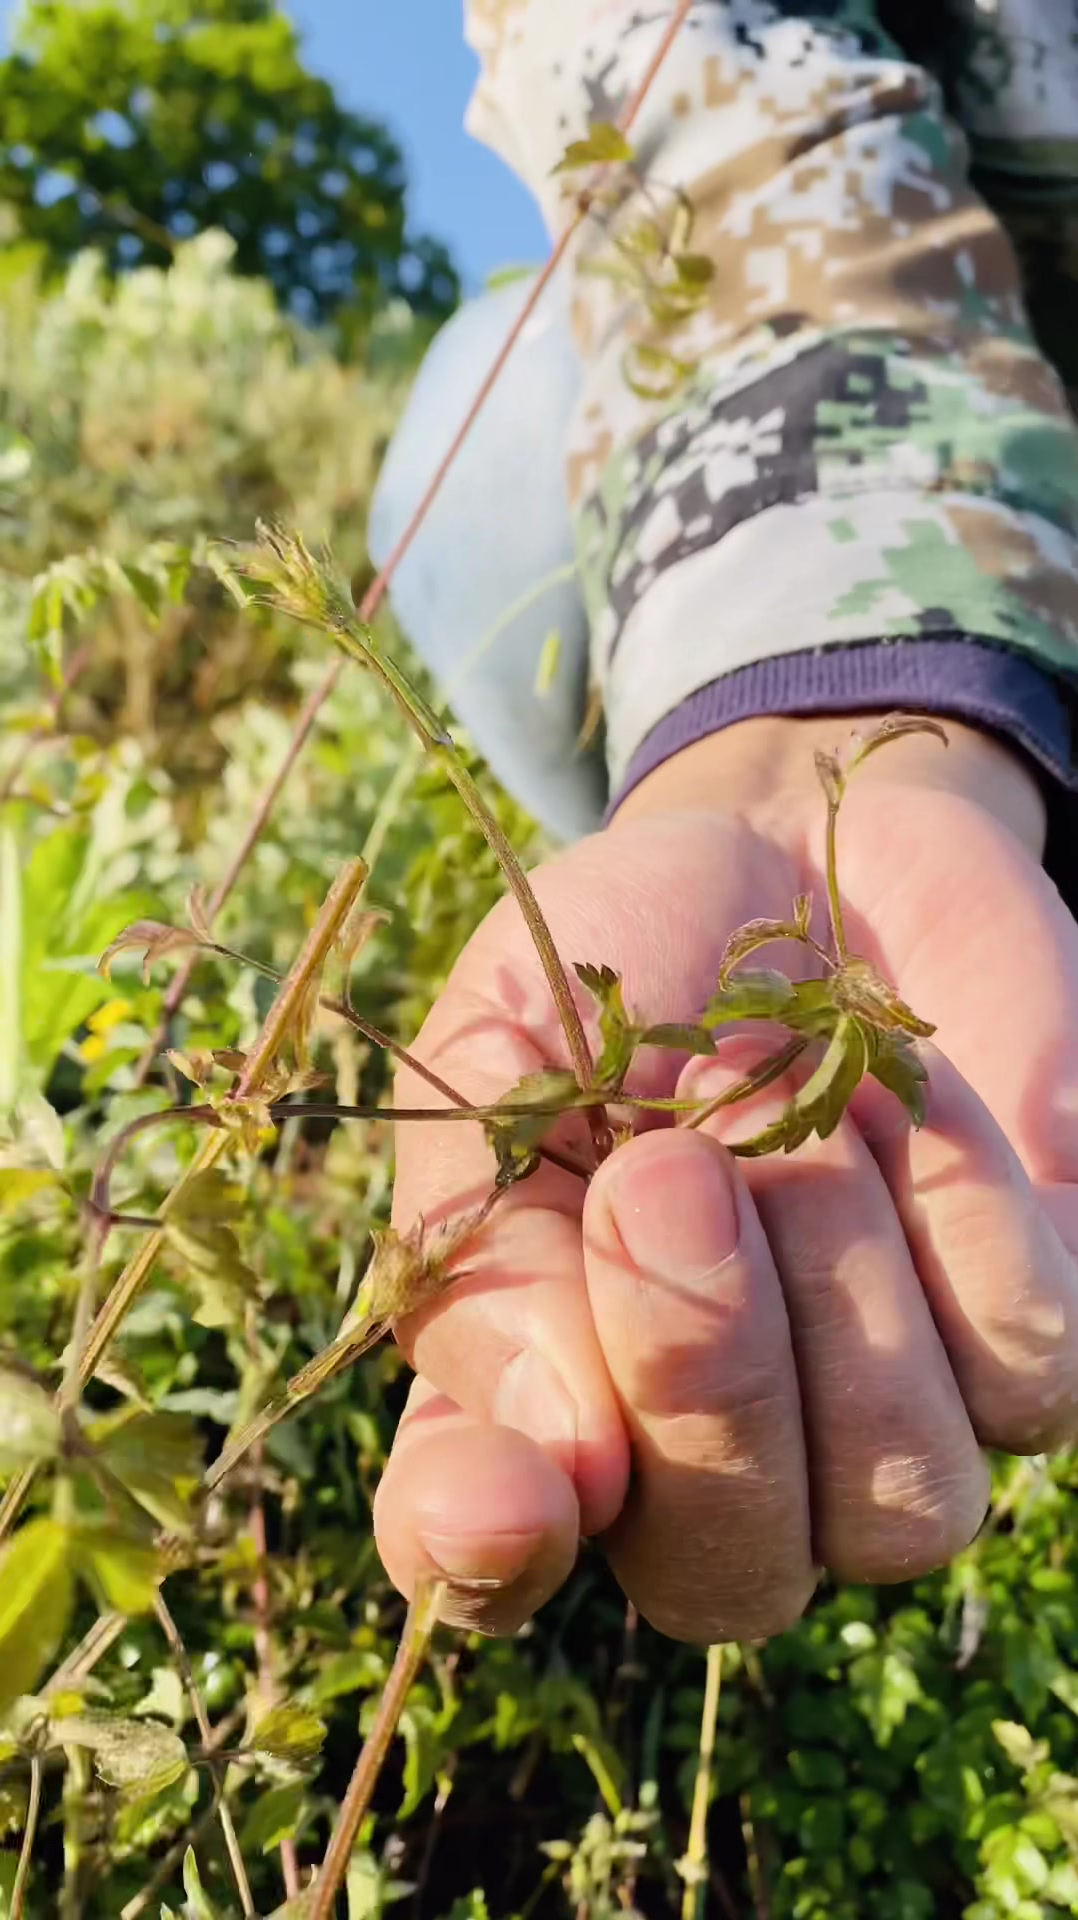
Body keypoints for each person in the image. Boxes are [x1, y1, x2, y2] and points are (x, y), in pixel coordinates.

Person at [367, 0, 1078, 1644]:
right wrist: (804, 736)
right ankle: (715, 750)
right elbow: (705, 84)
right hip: (877, 385)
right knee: (476, 450)